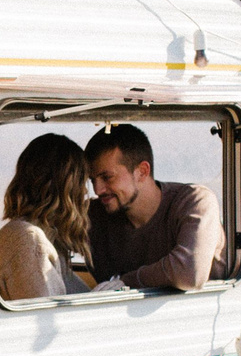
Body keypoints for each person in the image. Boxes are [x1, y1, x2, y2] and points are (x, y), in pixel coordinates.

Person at [85, 122, 225, 291]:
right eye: (92, 180)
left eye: (107, 177)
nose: (98, 190)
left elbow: (189, 273)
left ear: (142, 171)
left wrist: (126, 282)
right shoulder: (95, 215)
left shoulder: (194, 202)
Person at [0, 132, 93, 300]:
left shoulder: (47, 237)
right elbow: (46, 310)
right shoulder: (27, 238)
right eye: (80, 183)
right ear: (64, 186)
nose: (84, 191)